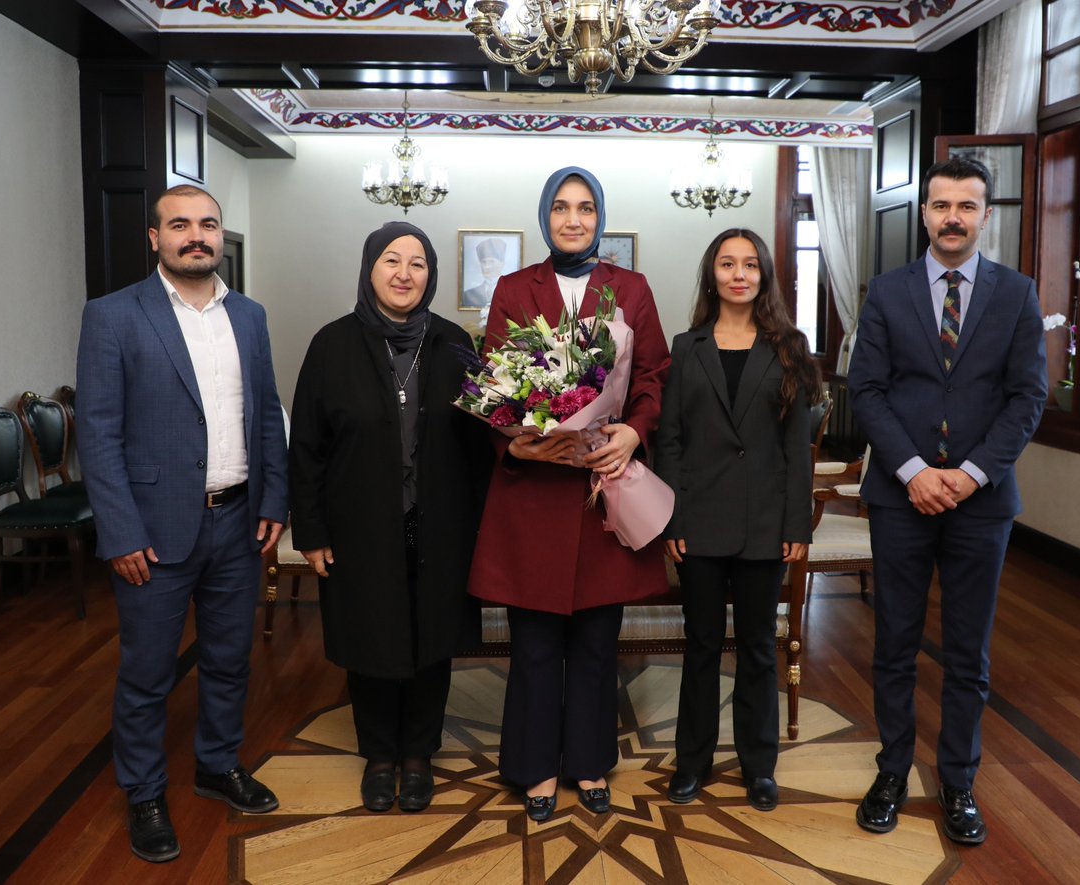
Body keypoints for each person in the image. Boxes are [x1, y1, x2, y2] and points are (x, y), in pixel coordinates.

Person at [76, 184, 288, 864]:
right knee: (146, 673)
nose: (195, 235)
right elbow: (99, 433)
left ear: (220, 235)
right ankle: (143, 791)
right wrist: (119, 530)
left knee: (229, 661)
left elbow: (267, 415)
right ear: (153, 236)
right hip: (152, 530)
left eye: (207, 224)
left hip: (237, 523)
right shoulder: (113, 316)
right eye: (180, 225)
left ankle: (216, 763)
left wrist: (273, 502)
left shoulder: (249, 317)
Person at [848, 157, 1047, 844]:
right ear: (925, 213)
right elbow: (865, 388)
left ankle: (959, 782)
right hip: (900, 498)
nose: (952, 217)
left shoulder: (1017, 294)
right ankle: (892, 772)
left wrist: (969, 473)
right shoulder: (886, 291)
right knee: (894, 645)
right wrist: (911, 470)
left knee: (968, 653)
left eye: (966, 206)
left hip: (980, 503)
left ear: (985, 214)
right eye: (941, 205)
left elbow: (1028, 397)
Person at [468, 166, 671, 822]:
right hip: (533, 492)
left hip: (600, 493)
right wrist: (518, 441)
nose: (573, 219)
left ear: (600, 217)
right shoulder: (511, 288)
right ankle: (533, 767)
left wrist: (634, 434)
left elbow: (652, 375)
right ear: (545, 217)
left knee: (595, 640)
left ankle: (588, 763)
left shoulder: (631, 289)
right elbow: (495, 380)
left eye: (585, 207)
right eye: (561, 207)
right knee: (531, 643)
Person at [288, 221, 492, 814]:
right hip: (358, 525)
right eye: (391, 261)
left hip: (443, 524)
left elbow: (481, 447)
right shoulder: (332, 345)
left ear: (431, 276)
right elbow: (306, 446)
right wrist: (314, 530)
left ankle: (418, 756)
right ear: (370, 269)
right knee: (369, 637)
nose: (404, 274)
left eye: (418, 264)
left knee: (432, 641)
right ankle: (379, 755)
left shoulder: (456, 344)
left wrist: (481, 529)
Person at [655, 228, 819, 811]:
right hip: (697, 521)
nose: (739, 274)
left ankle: (759, 767)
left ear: (765, 277)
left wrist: (797, 527)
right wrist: (670, 517)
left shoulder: (790, 348)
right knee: (700, 646)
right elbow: (669, 441)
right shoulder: (685, 346)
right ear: (712, 274)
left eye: (750, 264)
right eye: (728, 264)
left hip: (764, 524)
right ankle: (691, 764)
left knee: (755, 649)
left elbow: (798, 450)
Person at [462, 237, 507, 307]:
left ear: (502, 264)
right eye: (484, 262)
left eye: (491, 261)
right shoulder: (468, 294)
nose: (486, 266)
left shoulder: (510, 292)